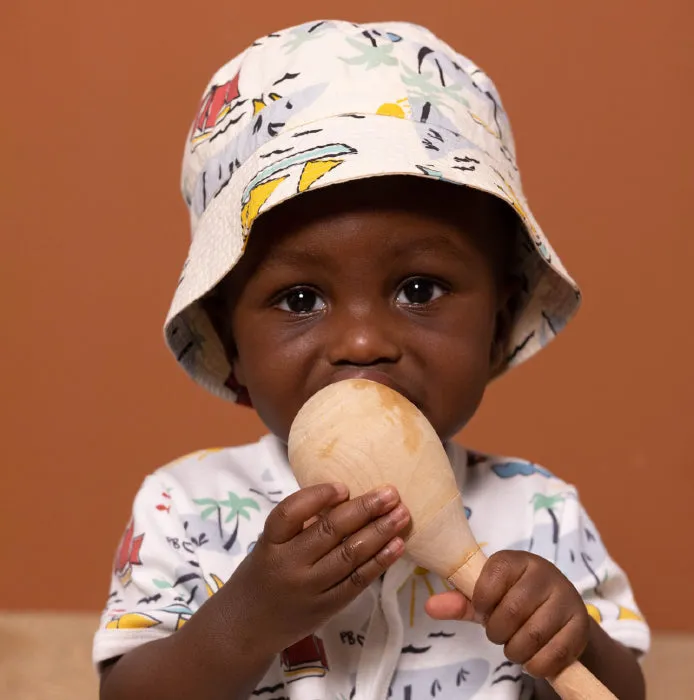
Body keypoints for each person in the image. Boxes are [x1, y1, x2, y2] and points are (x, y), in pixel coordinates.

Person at [93, 20, 648, 700]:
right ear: (229, 343)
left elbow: (624, 691)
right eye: (300, 299)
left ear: (499, 328)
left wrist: (574, 636)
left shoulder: (539, 513)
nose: (362, 343)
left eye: (419, 290)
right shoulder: (186, 506)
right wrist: (251, 616)